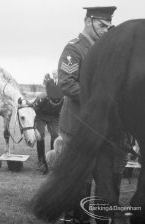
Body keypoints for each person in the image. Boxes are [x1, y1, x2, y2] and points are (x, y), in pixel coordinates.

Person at [57, 6, 123, 224]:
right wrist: (98, 101)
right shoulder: (74, 49)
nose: (106, 30)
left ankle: (103, 218)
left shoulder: (105, 50)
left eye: (109, 26)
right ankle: (75, 218)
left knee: (106, 178)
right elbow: (66, 84)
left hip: (102, 129)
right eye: (102, 25)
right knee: (78, 179)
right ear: (88, 21)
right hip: (77, 126)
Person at [33, 71, 63, 173]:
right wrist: (35, 128)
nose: (55, 102)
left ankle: (52, 159)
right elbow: (33, 112)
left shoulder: (63, 98)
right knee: (40, 136)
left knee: (55, 136)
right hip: (40, 116)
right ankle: (41, 161)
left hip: (54, 116)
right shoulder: (41, 98)